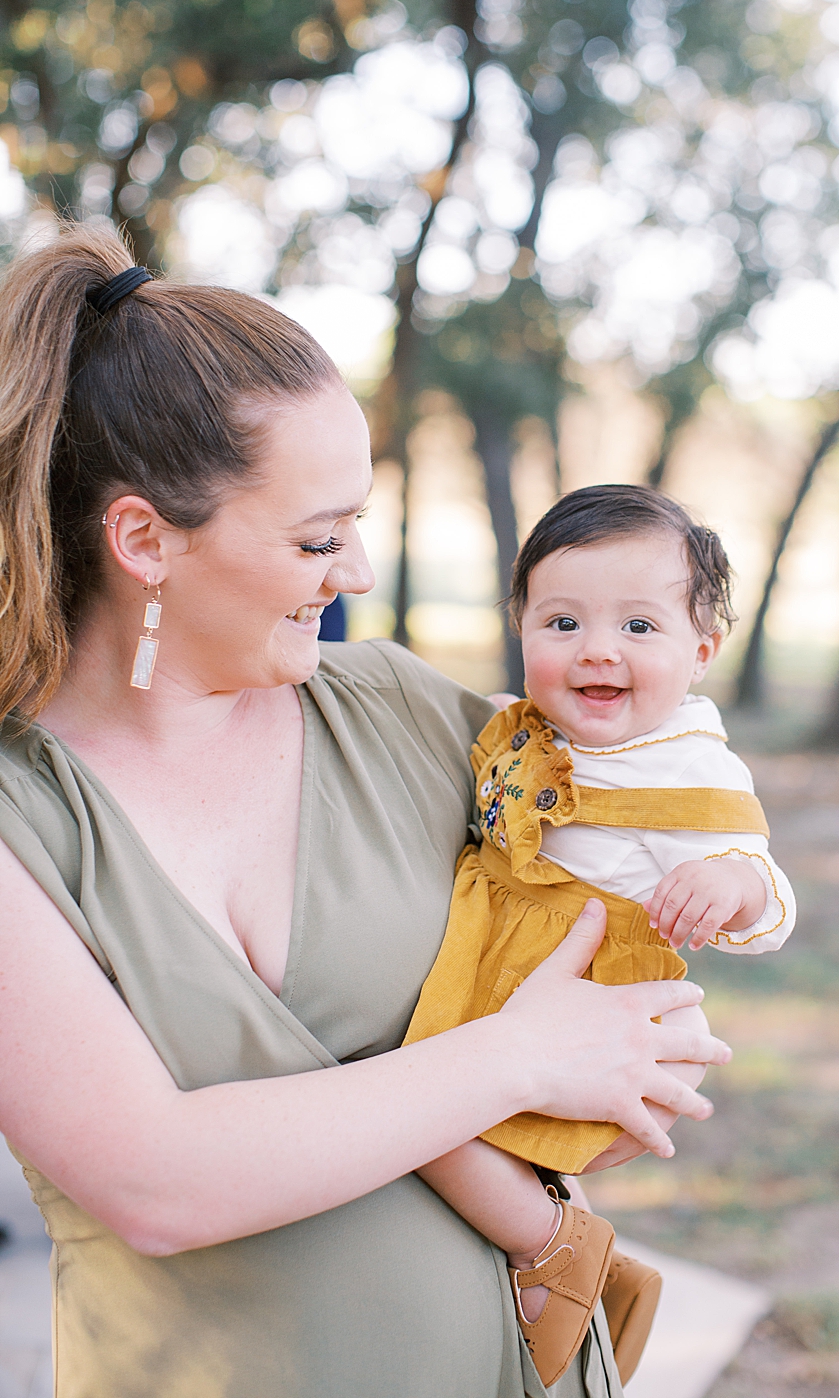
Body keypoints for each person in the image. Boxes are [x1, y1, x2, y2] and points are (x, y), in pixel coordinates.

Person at [0, 226, 728, 1398]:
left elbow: (650, 795)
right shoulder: (18, 821)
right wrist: (517, 1054)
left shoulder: (404, 712)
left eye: (357, 524)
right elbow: (158, 1182)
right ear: (143, 538)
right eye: (316, 538)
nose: (356, 575)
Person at [404, 486, 796, 1387]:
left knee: (424, 1121)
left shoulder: (684, 766)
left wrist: (725, 885)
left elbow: (770, 892)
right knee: (475, 1130)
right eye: (563, 621)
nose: (598, 651)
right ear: (523, 627)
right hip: (499, 955)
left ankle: (556, 1258)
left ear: (701, 650)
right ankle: (580, 1268)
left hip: (583, 990)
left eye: (640, 628)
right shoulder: (534, 723)